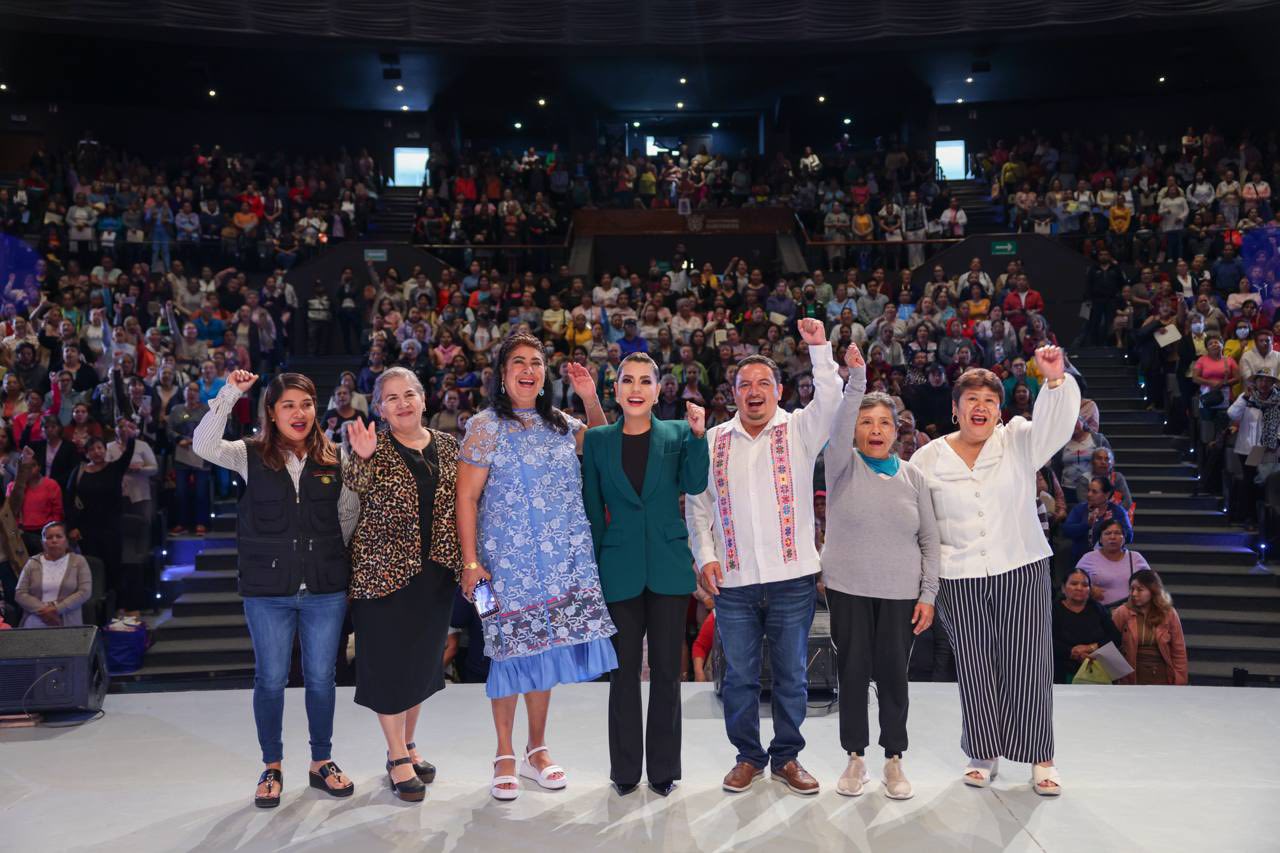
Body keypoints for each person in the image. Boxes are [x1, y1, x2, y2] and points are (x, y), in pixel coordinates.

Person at [909, 346, 1079, 795]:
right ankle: (983, 751)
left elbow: (1057, 425)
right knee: (975, 666)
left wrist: (1055, 380)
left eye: (989, 399)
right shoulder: (928, 459)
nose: (980, 406)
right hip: (957, 576)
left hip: (1019, 566)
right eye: (971, 399)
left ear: (999, 410)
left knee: (1029, 664)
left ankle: (1041, 757)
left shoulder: (1019, 439)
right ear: (955, 408)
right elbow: (916, 522)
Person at [456, 331, 617, 802]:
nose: (528, 370)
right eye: (518, 363)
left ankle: (537, 749)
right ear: (503, 376)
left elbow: (606, 443)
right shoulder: (485, 426)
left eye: (536, 363)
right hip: (503, 567)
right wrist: (470, 562)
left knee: (543, 653)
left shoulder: (561, 424)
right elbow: (466, 497)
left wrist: (589, 397)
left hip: (561, 562)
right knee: (507, 652)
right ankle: (504, 753)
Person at [686, 317, 841, 797]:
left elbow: (832, 398)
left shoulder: (799, 429)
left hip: (793, 578)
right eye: (744, 384)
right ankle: (748, 757)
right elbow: (698, 505)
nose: (753, 391)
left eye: (763, 383)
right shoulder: (713, 441)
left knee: (793, 673)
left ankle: (787, 757)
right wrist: (705, 557)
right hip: (733, 581)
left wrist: (818, 349)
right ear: (732, 393)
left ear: (778, 389)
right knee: (738, 676)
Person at [193, 369, 358, 808]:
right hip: (268, 591)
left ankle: (321, 761)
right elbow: (203, 445)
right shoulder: (250, 454)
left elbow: (351, 516)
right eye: (288, 405)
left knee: (322, 679)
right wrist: (229, 394)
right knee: (271, 679)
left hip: (325, 588)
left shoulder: (335, 456)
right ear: (272, 411)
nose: (299, 413)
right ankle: (273, 764)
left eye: (305, 404)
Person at [581, 353, 708, 797]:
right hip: (618, 569)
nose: (636, 388)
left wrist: (698, 435)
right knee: (624, 674)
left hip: (670, 570)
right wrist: (595, 569)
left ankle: (663, 771)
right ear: (615, 390)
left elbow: (694, 484)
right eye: (627, 380)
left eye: (645, 381)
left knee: (668, 675)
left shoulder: (678, 433)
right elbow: (594, 511)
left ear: (657, 390)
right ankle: (625, 772)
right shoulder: (597, 441)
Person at [821, 343, 939, 799]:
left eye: (884, 423)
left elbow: (930, 541)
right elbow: (842, 415)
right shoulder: (841, 465)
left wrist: (927, 595)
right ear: (853, 431)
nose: (875, 429)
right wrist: (857, 378)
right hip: (849, 587)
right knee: (852, 672)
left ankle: (894, 758)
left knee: (893, 675)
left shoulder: (914, 477)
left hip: (900, 593)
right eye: (865, 422)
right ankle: (855, 758)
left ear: (897, 431)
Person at [343, 367, 463, 803]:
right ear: (379, 408)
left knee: (421, 665)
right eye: (391, 398)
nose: (403, 402)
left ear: (424, 398)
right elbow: (351, 492)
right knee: (389, 667)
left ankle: (409, 745)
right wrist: (362, 458)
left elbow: (464, 505)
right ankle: (396, 757)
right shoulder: (369, 446)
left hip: (436, 574)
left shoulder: (450, 446)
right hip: (383, 574)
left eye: (409, 393)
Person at [65, 421, 138, 618]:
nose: (97, 452)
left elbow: (129, 452)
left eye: (100, 448)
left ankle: (119, 607)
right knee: (93, 568)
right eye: (93, 449)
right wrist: (71, 527)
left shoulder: (114, 468)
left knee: (114, 566)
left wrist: (130, 435)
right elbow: (69, 500)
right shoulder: (79, 472)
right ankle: (96, 609)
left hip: (111, 526)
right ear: (87, 452)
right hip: (87, 528)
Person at [1112, 570, 1189, 685]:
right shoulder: (1122, 612)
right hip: (1132, 677)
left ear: (1153, 591)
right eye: (1132, 589)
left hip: (1162, 675)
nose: (1134, 594)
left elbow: (1178, 650)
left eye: (1140, 590)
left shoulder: (1168, 613)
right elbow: (1110, 646)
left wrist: (1180, 681)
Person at [1051, 569, 1123, 684]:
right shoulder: (1052, 610)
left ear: (1089, 589)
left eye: (1085, 585)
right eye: (1074, 584)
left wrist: (1091, 648)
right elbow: (1044, 640)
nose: (1079, 588)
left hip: (1098, 670)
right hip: (1060, 672)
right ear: (1063, 588)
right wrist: (1072, 652)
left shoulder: (1098, 609)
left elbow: (1115, 637)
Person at [14, 521, 91, 628]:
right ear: (42, 542)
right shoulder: (32, 562)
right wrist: (44, 611)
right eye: (49, 537)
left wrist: (56, 609)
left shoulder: (79, 561)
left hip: (67, 623)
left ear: (66, 541)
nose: (54, 540)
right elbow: (20, 594)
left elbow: (85, 592)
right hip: (34, 621)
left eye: (58, 536)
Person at [1075, 518, 1151, 607]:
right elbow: (1073, 582)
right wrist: (1089, 589)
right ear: (1100, 539)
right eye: (1107, 533)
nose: (1112, 537)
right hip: (1099, 613)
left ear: (1124, 538)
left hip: (1131, 612)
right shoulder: (1088, 558)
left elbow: (1151, 584)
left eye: (1117, 533)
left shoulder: (1135, 557)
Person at [1063, 477, 1132, 563]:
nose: (1089, 494)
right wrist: (1086, 525)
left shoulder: (1117, 511)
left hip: (1110, 560)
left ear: (1107, 494)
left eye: (1094, 492)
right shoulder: (1080, 509)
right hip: (1081, 559)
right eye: (1089, 490)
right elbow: (1066, 530)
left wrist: (1111, 527)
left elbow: (1129, 536)